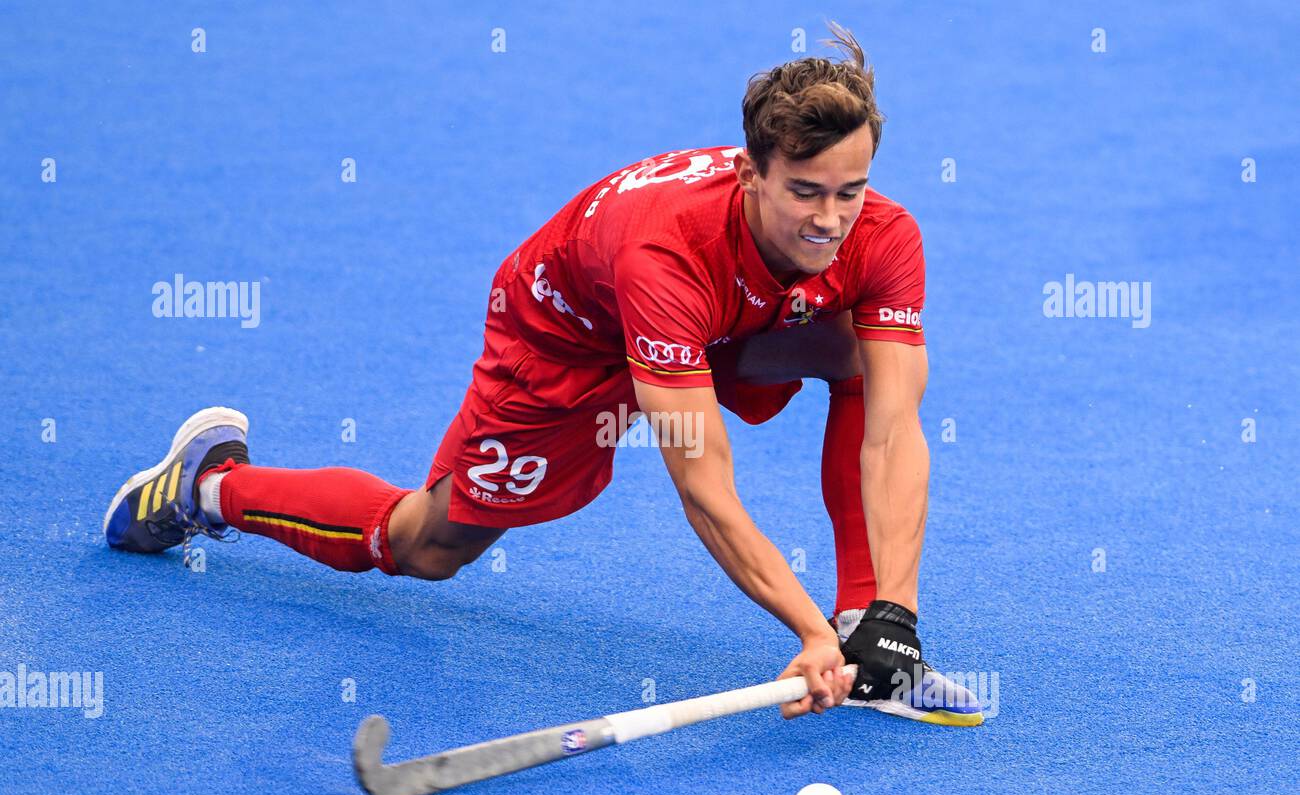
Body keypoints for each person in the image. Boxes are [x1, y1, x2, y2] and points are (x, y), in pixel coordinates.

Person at [103, 23, 983, 726]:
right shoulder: (662, 255)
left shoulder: (885, 234)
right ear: (751, 171)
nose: (831, 220)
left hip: (719, 321)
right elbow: (702, 482)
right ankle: (210, 486)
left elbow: (896, 427)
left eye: (850, 190)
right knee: (430, 545)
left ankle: (867, 623)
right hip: (568, 336)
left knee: (865, 356)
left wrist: (893, 621)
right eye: (805, 193)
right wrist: (799, 631)